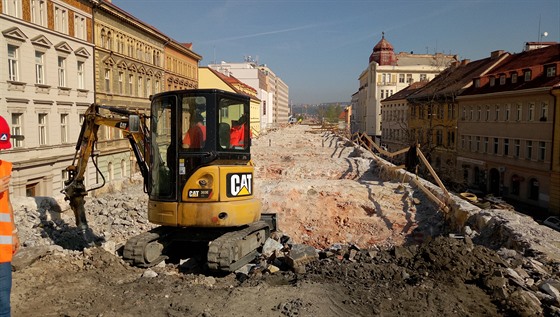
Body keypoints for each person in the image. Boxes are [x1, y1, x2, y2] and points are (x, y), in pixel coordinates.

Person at [0, 115, 18, 317]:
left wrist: (13, 232)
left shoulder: (3, 168)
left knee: (3, 306)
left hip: (2, 252)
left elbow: (6, 203)